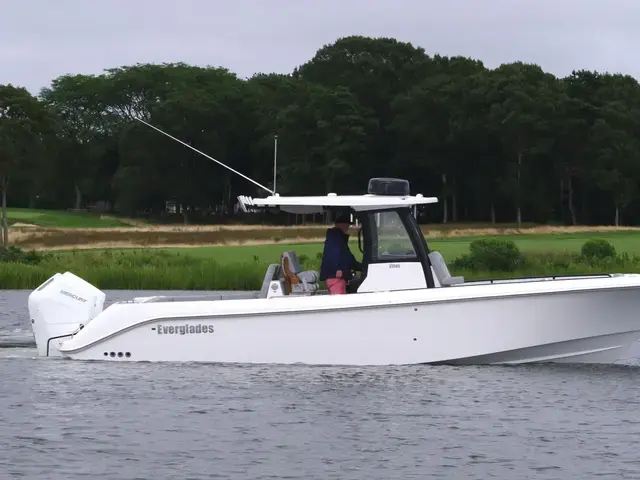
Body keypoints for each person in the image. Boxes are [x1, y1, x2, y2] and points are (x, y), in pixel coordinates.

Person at [319, 212, 362, 294]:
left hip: (336, 277)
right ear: (342, 224)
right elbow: (337, 256)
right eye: (347, 225)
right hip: (336, 278)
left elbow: (348, 258)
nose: (348, 227)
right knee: (339, 303)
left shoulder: (336, 238)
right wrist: (338, 271)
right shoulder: (336, 238)